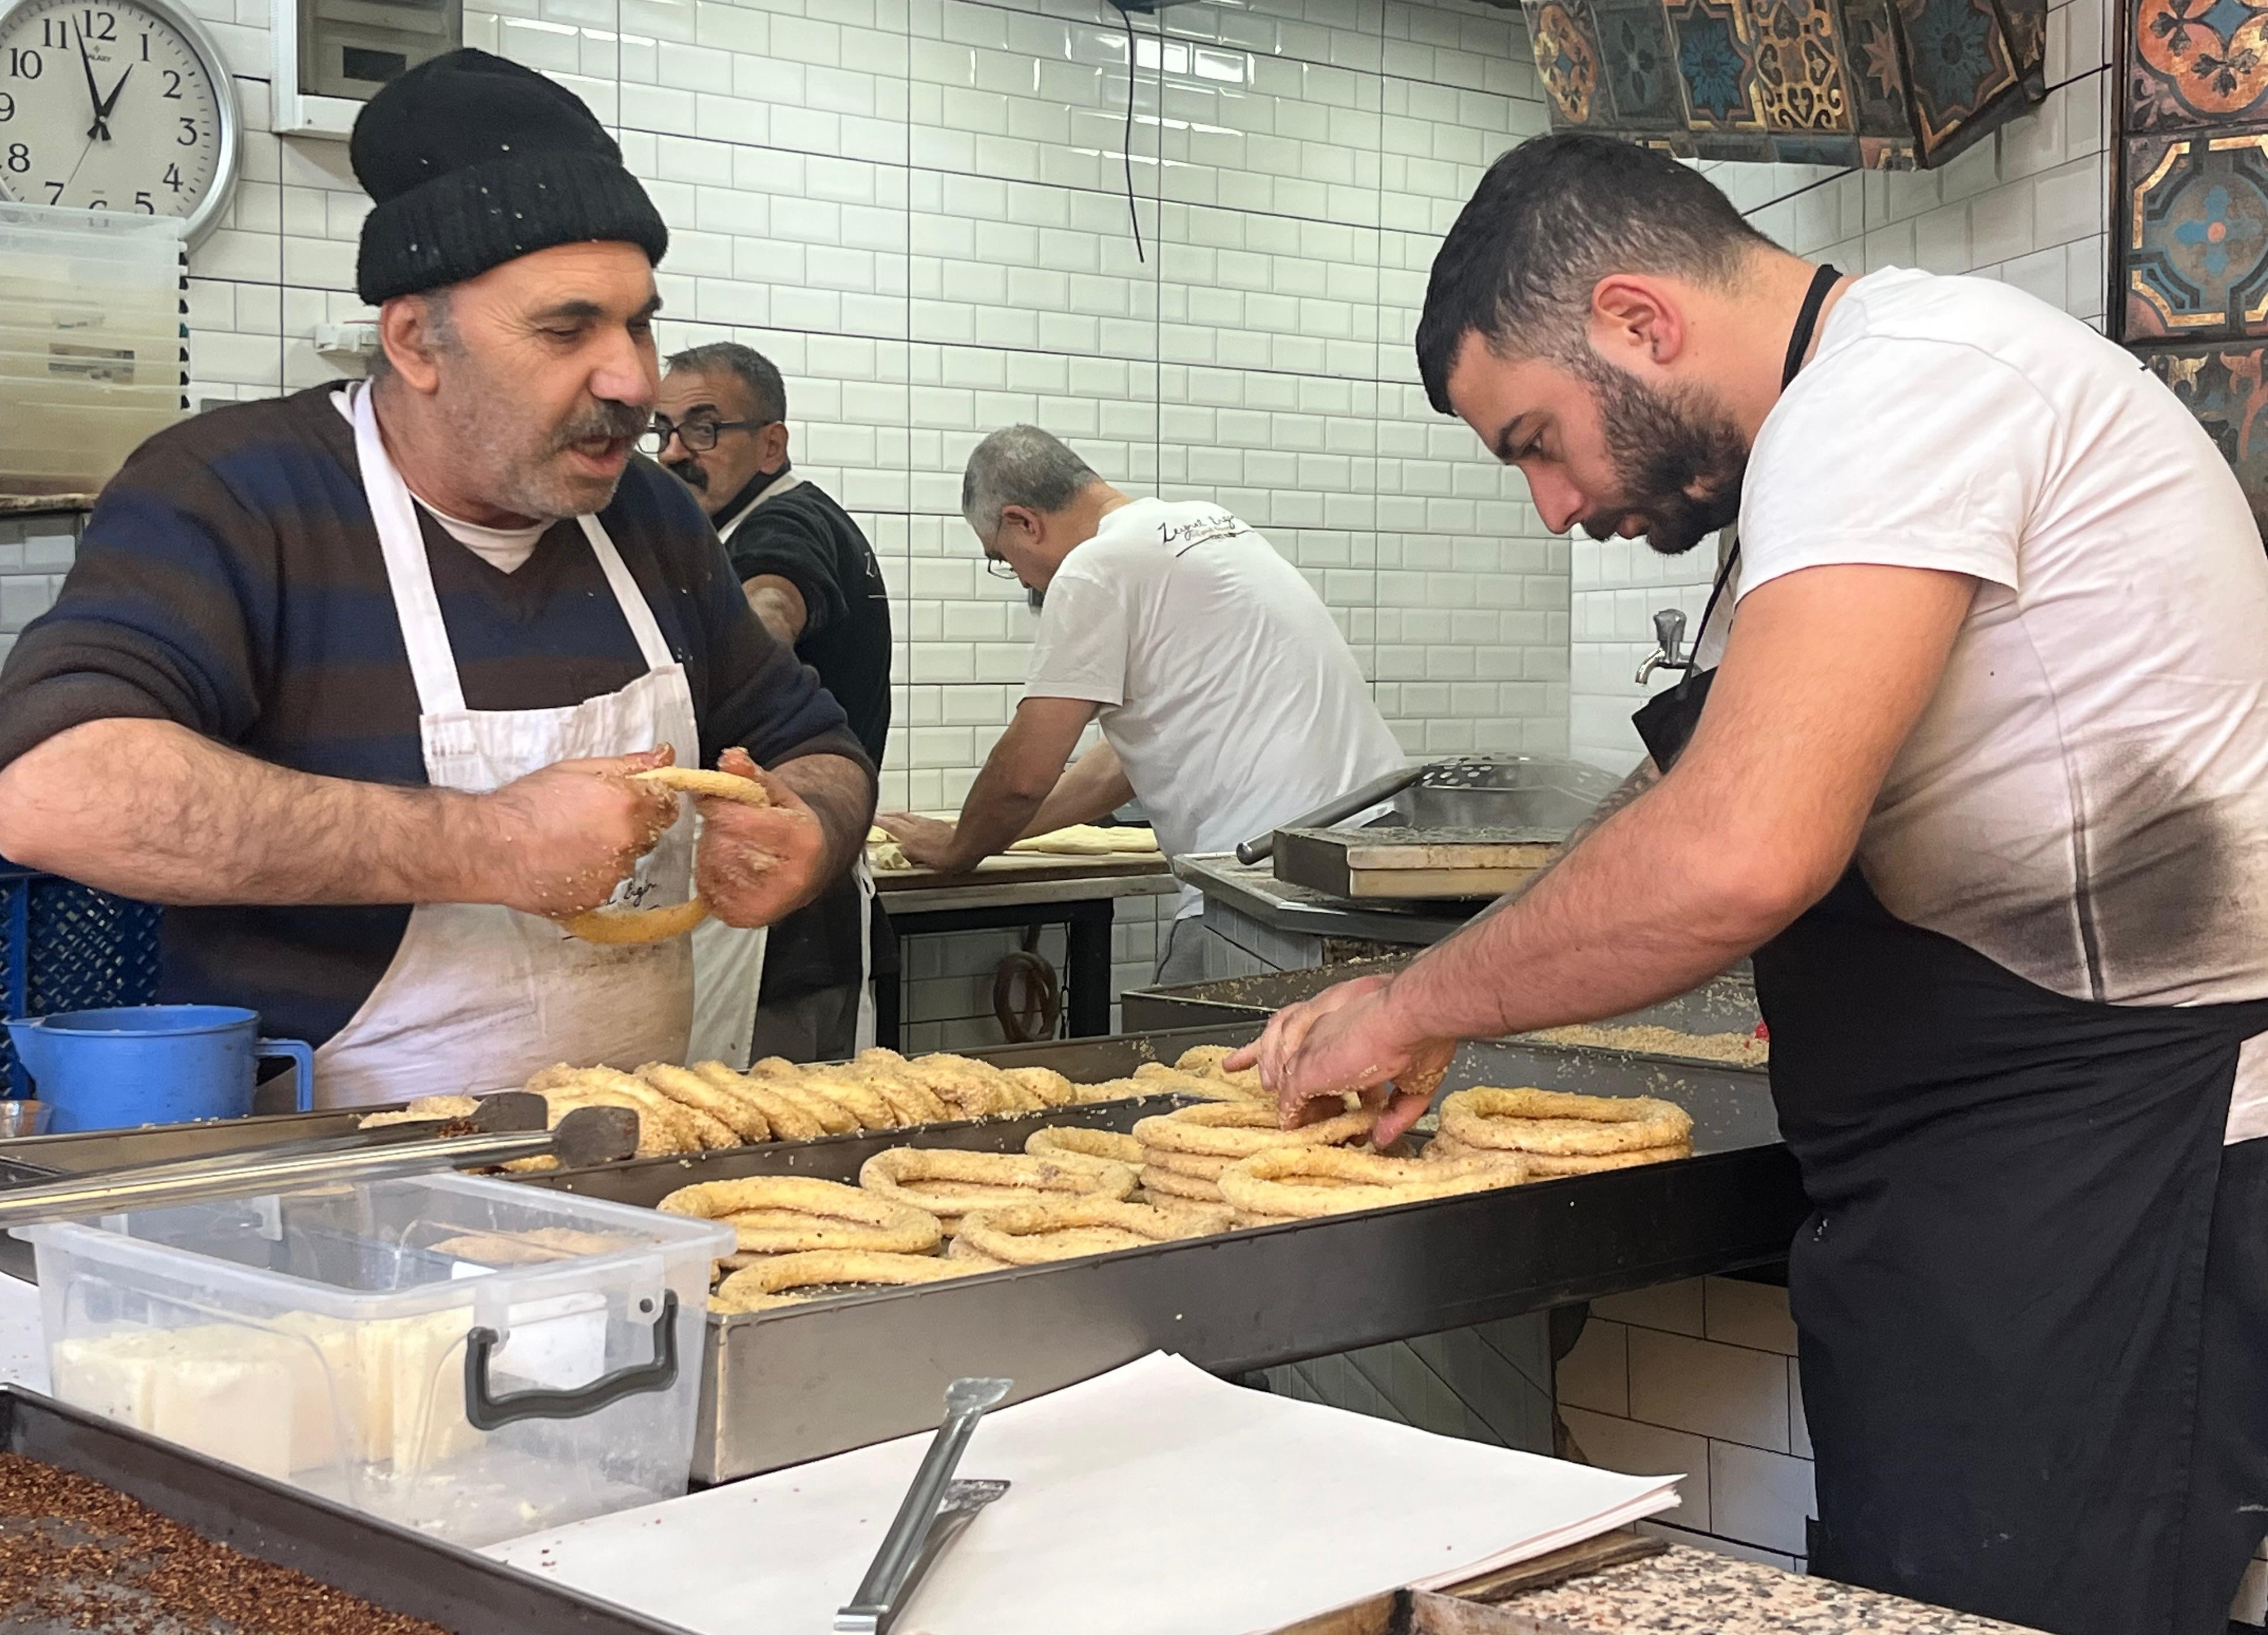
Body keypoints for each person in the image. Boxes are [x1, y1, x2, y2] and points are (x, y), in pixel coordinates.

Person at [1236, 133, 2268, 1635]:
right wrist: (1450, 1001)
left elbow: (1738, 850)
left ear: (1639, 320)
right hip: (1987, 1190)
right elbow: (1683, 817)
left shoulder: (1907, 390)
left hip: (2112, 1177)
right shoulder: (1831, 443)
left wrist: (1415, 1002)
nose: (1551, 505)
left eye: (1533, 440)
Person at [0, 49, 875, 1107]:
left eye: (637, 321)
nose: (633, 378)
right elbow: (55, 791)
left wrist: (803, 829)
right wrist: (493, 842)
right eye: (566, 327)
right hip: (319, 1188)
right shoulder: (239, 493)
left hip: (624, 1177)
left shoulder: (649, 518)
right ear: (414, 340)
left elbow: (818, 746)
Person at [877, 425, 1406, 984]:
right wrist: (1001, 833)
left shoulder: (1096, 568)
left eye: (1003, 559)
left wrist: (960, 847)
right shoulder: (1210, 525)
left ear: (1022, 523)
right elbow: (1118, 766)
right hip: (1378, 864)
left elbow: (1025, 773)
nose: (1020, 579)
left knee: (1184, 1067)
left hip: (1266, 888)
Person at [654, 341, 893, 1063]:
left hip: (788, 921)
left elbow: (771, 607)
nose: (672, 453)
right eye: (661, 430)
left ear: (770, 444)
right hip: (772, 904)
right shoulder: (737, 527)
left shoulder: (782, 526)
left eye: (702, 428)